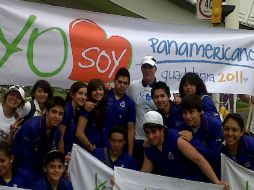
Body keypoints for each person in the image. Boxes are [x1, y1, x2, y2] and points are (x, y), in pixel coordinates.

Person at [141, 111, 228, 188]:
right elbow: (144, 175)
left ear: (162, 129)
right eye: (147, 133)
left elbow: (199, 159)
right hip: (173, 185)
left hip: (192, 182)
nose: (150, 136)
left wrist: (216, 181)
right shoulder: (149, 146)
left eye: (154, 132)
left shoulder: (176, 139)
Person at [13, 96, 65, 179]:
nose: (57, 116)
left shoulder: (57, 133)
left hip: (41, 171)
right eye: (54, 112)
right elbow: (24, 158)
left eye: (60, 113)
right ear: (46, 111)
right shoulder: (31, 127)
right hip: (22, 171)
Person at [179, 94, 223, 178]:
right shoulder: (181, 126)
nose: (188, 116)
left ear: (200, 111)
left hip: (214, 174)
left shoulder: (214, 125)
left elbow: (214, 156)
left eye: (191, 112)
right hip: (192, 175)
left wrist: (193, 140)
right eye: (185, 112)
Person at [127, 55, 157, 167]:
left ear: (155, 69)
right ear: (141, 69)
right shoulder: (133, 86)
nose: (148, 70)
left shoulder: (161, 87)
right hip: (137, 138)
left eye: (151, 67)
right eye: (145, 67)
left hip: (155, 139)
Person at [104, 68, 136, 155]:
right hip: (102, 143)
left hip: (119, 146)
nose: (122, 85)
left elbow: (131, 129)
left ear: (128, 84)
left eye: (125, 83)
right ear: (114, 81)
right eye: (119, 82)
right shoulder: (104, 94)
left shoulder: (130, 103)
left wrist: (130, 153)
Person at [76, 79, 107, 152]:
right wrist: (91, 148)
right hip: (86, 151)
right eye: (94, 90)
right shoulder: (87, 108)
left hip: (99, 148)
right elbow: (79, 133)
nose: (98, 92)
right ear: (89, 92)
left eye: (100, 89)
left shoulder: (101, 106)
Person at [58, 82, 87, 154]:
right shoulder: (66, 110)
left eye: (85, 94)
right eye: (80, 93)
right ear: (72, 94)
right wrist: (62, 158)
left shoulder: (77, 109)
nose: (83, 97)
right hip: (64, 153)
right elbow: (60, 137)